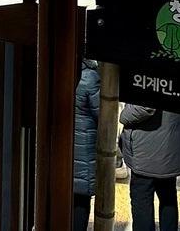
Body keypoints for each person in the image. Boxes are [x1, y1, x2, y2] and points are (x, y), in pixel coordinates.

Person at [121, 102, 180, 231]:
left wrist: (123, 116)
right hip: (171, 145)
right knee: (168, 198)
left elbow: (145, 106)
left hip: (147, 148)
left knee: (142, 200)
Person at [72, 59, 101, 230]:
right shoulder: (90, 77)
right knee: (81, 203)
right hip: (84, 148)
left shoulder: (56, 68)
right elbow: (102, 115)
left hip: (62, 150)